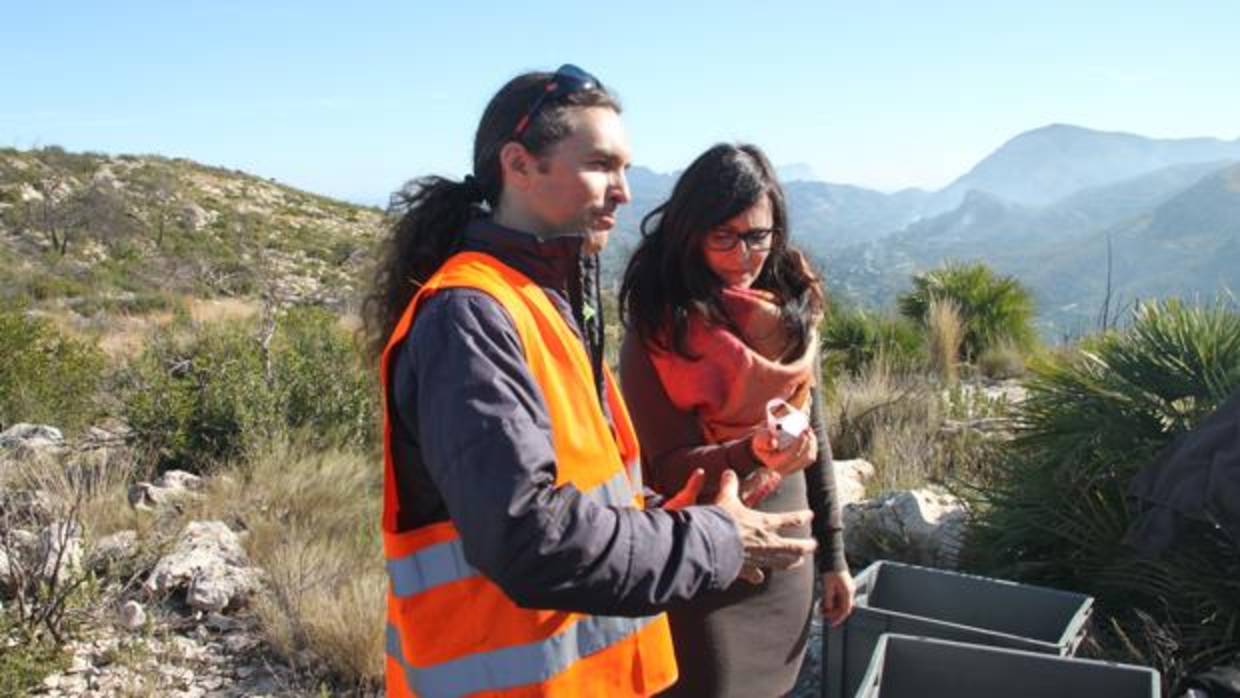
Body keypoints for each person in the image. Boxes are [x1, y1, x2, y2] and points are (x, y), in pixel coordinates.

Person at [363, 66, 819, 698]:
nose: (624, 191)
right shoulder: (469, 315)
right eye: (601, 165)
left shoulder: (546, 304)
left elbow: (598, 499)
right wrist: (716, 539)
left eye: (625, 168)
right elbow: (530, 537)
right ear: (520, 165)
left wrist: (695, 512)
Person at [618, 143, 856, 697]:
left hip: (790, 555)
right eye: (722, 236)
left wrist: (835, 557)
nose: (742, 254)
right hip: (710, 558)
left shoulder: (793, 313)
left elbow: (814, 439)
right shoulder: (659, 332)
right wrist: (754, 451)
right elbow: (668, 469)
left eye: (758, 236)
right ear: (690, 232)